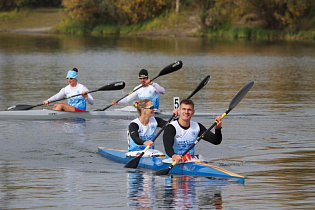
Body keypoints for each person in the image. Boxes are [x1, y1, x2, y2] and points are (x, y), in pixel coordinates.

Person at [163, 99, 222, 163]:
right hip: (172, 161)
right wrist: (174, 156)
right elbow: (167, 147)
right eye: (184, 109)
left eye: (189, 110)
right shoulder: (171, 127)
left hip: (189, 160)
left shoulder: (197, 126)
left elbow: (216, 141)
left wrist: (217, 129)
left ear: (193, 112)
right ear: (179, 111)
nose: (186, 112)